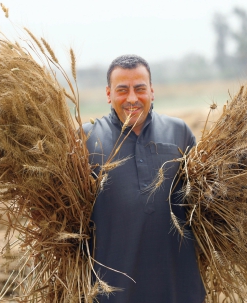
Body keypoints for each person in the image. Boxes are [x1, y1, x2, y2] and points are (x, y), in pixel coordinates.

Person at [83, 54, 206, 302]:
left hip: (178, 285)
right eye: (122, 90)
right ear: (108, 94)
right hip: (111, 289)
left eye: (140, 89)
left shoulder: (179, 131)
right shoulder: (85, 138)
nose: (132, 98)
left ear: (152, 91)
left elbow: (203, 198)